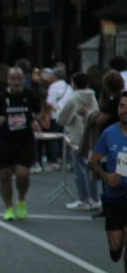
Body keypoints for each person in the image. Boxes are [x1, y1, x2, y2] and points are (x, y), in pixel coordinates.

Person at [0, 66, 41, 220]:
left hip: (24, 140)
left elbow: (38, 111)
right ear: (8, 81)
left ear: (23, 80)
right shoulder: (1, 96)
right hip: (4, 140)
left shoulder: (29, 95)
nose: (16, 82)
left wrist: (34, 121)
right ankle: (9, 207)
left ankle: (21, 200)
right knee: (4, 175)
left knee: (22, 174)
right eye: (13, 79)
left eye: (19, 79)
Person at [89, 91, 127, 273]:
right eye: (122, 106)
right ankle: (116, 251)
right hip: (114, 196)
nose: (125, 110)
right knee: (116, 246)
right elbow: (93, 163)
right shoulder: (109, 133)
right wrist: (106, 177)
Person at [59, 72, 100, 210]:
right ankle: (95, 198)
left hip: (77, 136)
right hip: (92, 136)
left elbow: (62, 119)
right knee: (91, 167)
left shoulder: (73, 100)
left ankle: (84, 199)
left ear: (74, 83)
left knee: (80, 169)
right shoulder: (93, 98)